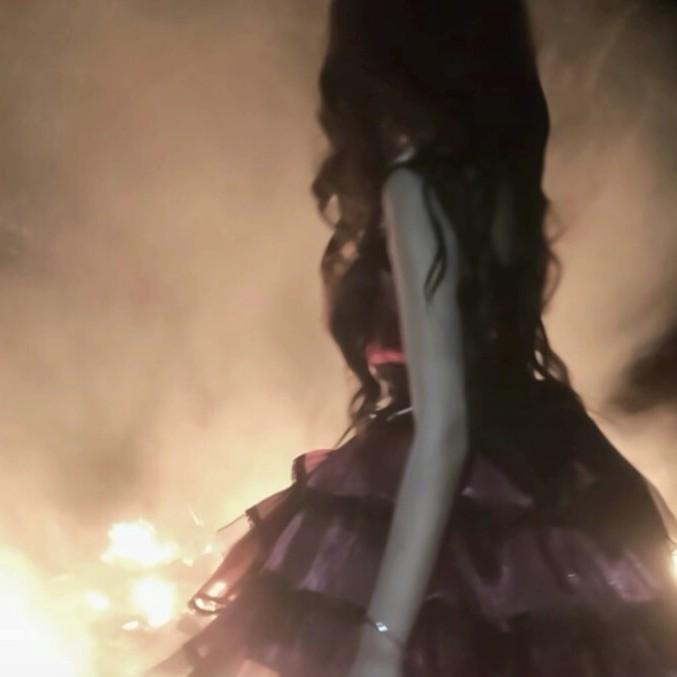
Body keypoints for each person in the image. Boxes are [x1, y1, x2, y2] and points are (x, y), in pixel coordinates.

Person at [154, 1, 677, 675]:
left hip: (446, 481)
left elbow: (444, 430)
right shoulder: (500, 181)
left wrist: (379, 642)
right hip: (532, 468)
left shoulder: (416, 188)